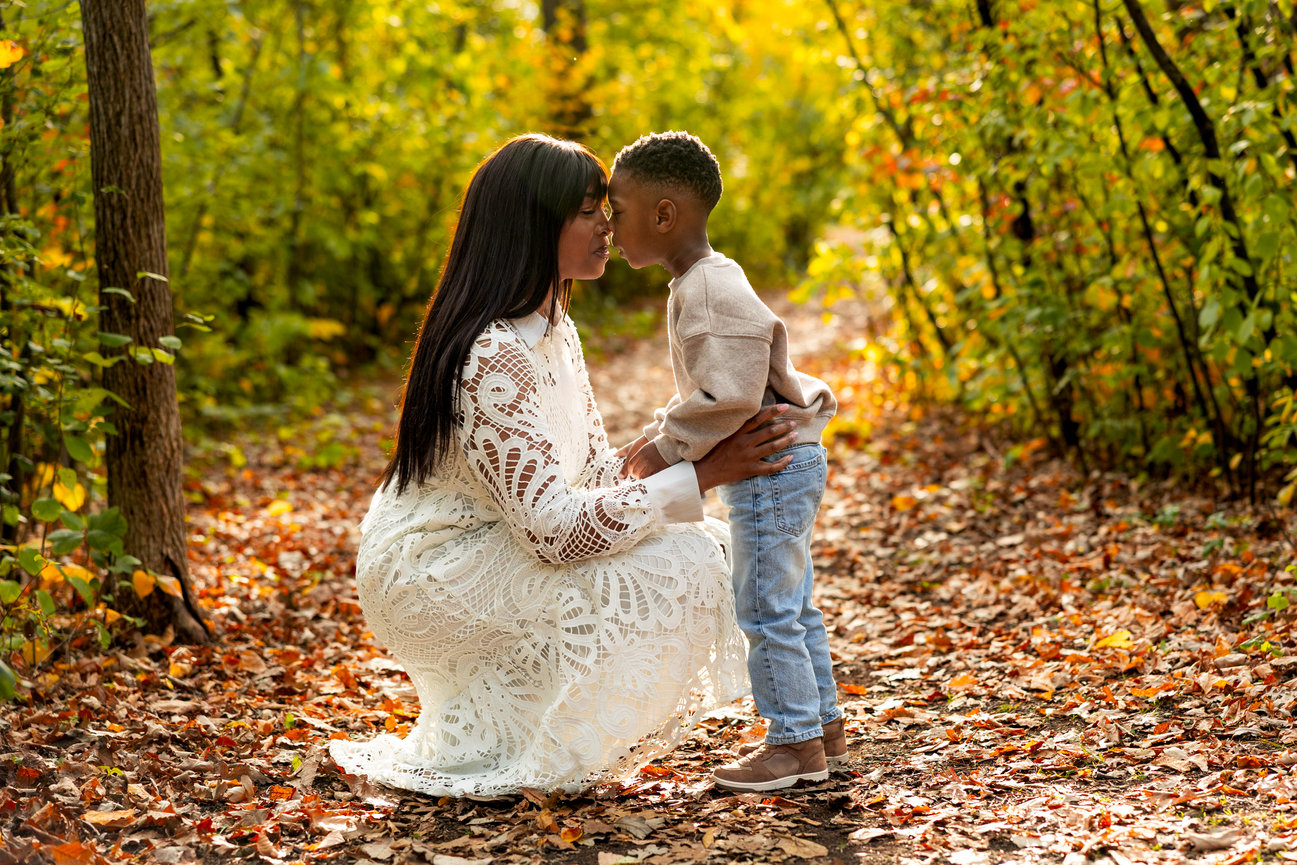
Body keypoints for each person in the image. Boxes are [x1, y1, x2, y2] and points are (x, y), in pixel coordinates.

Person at [328, 133, 800, 798]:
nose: (607, 222)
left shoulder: (553, 326)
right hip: (428, 569)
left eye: (604, 207)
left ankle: (537, 735)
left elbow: (587, 472)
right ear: (531, 224)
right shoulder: (490, 351)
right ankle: (545, 744)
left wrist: (674, 446)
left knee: (701, 546)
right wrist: (700, 476)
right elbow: (553, 530)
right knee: (673, 561)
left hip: (499, 541)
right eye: (586, 211)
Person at [608, 131, 844, 792]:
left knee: (763, 607)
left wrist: (664, 446)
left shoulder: (703, 287)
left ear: (663, 214)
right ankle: (824, 728)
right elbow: (715, 384)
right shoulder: (708, 277)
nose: (609, 224)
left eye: (618, 210)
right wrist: (664, 426)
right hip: (785, 460)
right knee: (791, 603)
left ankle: (793, 743)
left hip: (770, 467)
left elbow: (729, 394)